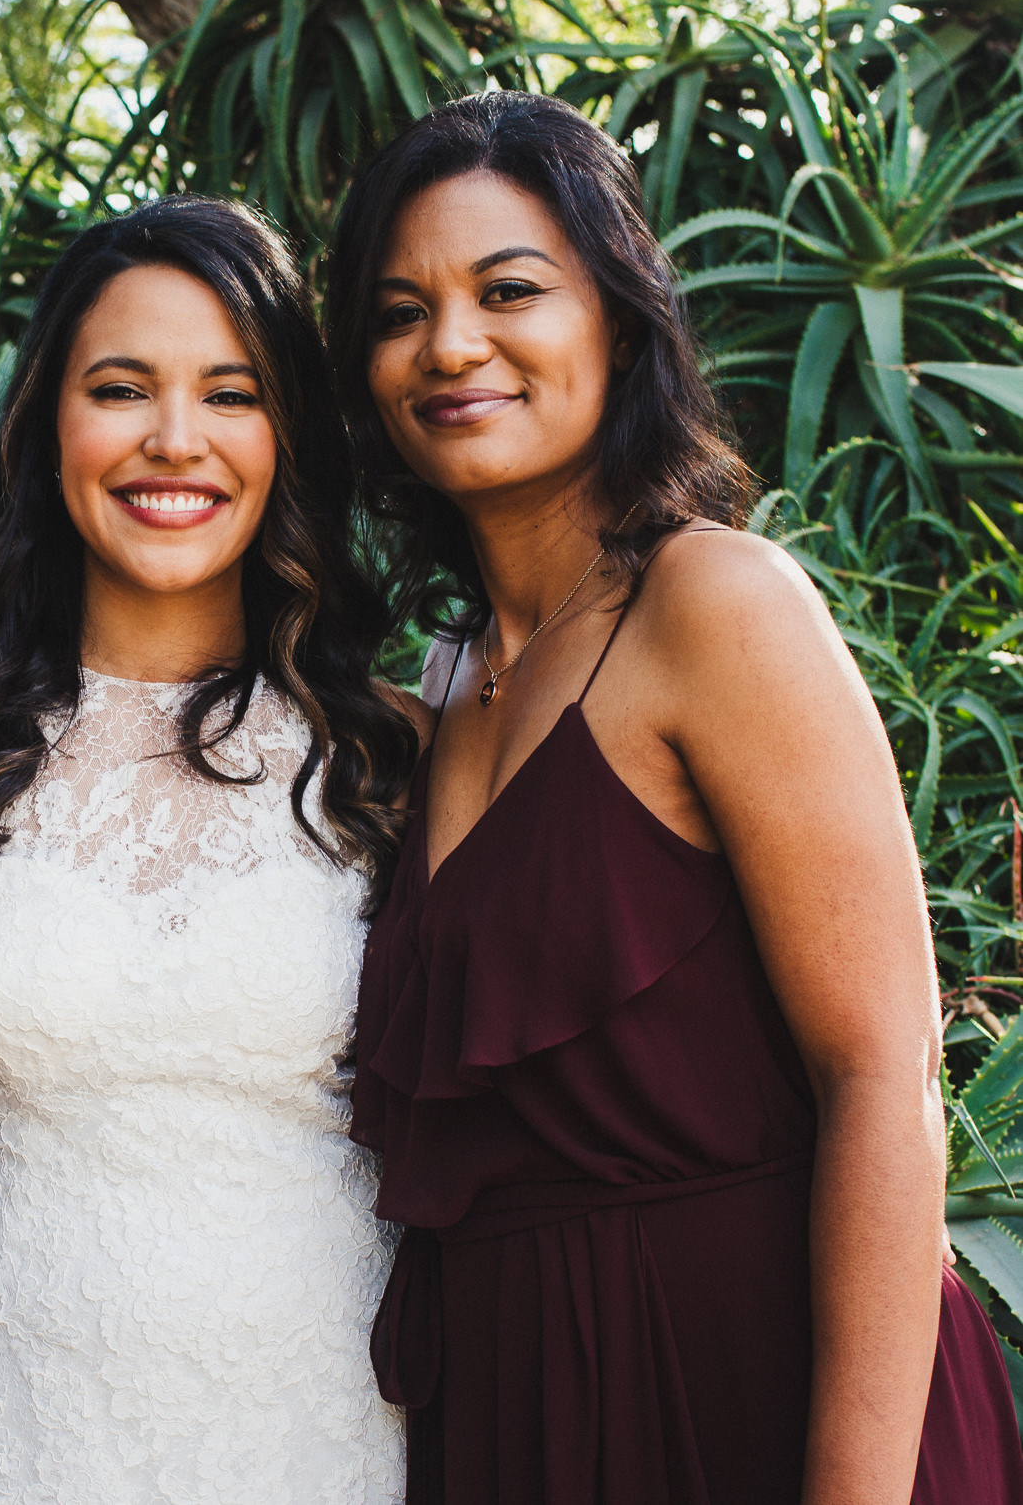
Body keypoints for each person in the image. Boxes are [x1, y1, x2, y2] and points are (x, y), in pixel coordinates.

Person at [327, 90, 1023, 1503]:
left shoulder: (715, 602)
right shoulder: (450, 681)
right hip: (523, 1419)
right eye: (400, 312)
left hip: (757, 1392)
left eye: (509, 290)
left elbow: (883, 1079)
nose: (451, 345)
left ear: (619, 317)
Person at [0, 196, 423, 1501]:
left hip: (314, 1426)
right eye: (120, 388)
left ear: (289, 436)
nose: (174, 440)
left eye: (231, 393)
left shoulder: (392, 753)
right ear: (51, 419)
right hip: (4, 1425)